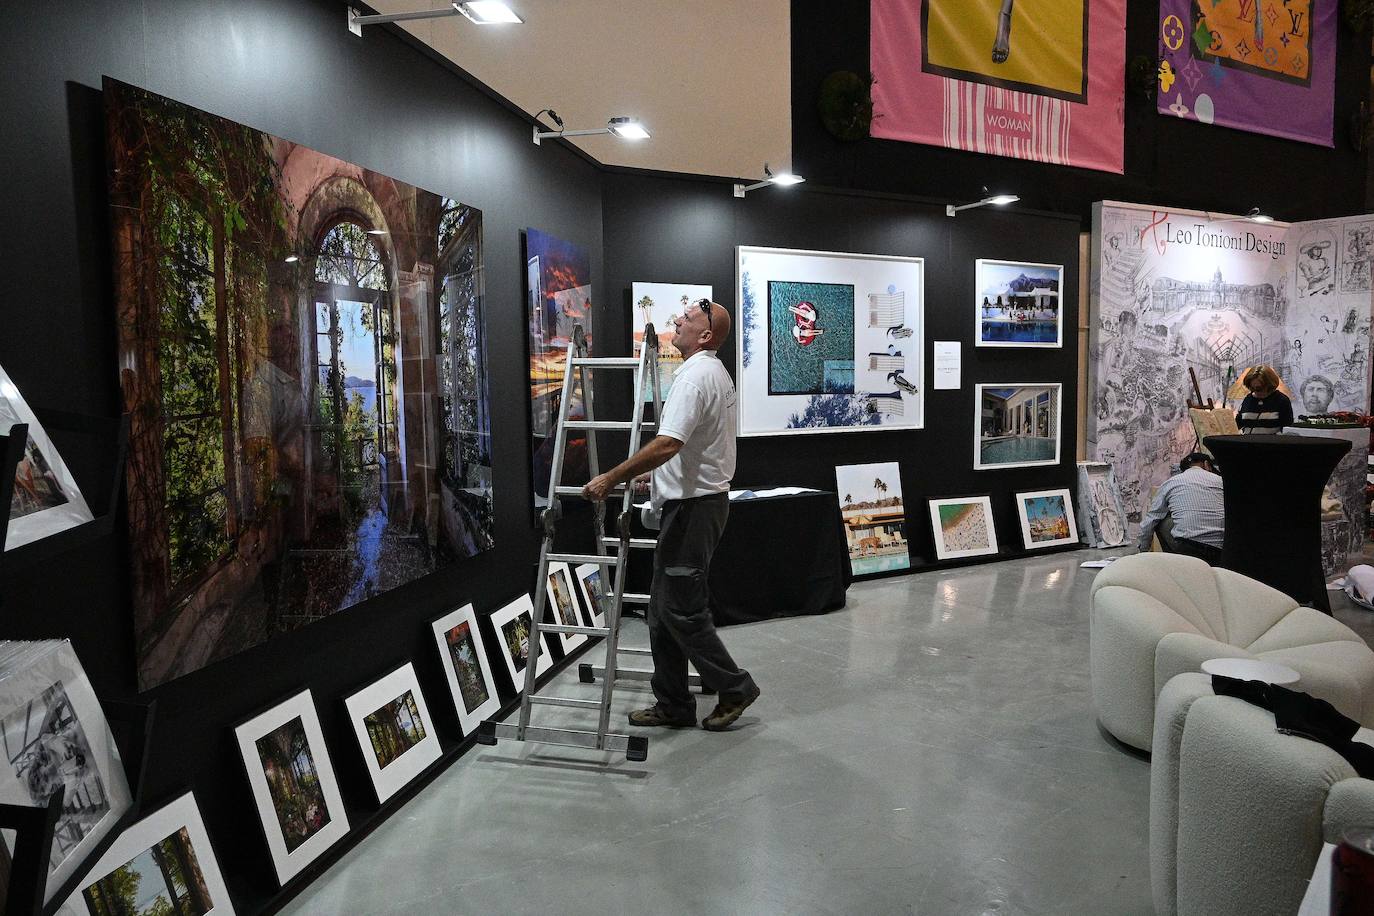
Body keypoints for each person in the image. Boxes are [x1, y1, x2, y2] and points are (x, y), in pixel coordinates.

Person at [583, 299, 760, 731]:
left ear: (705, 336)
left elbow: (668, 444)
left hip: (695, 512)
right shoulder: (707, 372)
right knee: (662, 613)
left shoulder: (696, 377)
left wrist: (612, 477)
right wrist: (654, 483)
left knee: (681, 611)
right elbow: (695, 450)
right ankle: (674, 704)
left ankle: (735, 686)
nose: (677, 320)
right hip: (694, 505)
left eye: (688, 318)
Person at [1136, 452, 1226, 565]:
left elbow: (1150, 520)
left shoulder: (1171, 482)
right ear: (1207, 464)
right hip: (1221, 550)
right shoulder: (1221, 481)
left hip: (1188, 549)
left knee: (1160, 518)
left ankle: (1176, 566)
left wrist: (1142, 552)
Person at [1235, 365, 1293, 433]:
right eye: (1252, 388)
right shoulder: (1248, 399)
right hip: (1248, 442)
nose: (1255, 391)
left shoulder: (1282, 400)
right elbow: (1237, 424)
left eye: (1259, 388)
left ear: (1269, 384)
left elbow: (1287, 429)